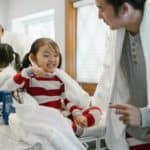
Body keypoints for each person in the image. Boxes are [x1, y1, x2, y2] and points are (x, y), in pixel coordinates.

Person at [1, 37, 102, 136]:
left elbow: (66, 101)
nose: (52, 59)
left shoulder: (58, 78)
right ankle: (80, 131)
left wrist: (77, 115)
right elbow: (8, 87)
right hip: (45, 118)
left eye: (55, 55)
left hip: (60, 115)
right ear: (33, 58)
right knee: (62, 125)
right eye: (46, 55)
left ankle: (79, 124)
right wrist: (28, 72)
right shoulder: (30, 78)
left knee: (96, 111)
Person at [94, 0, 150, 149]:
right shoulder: (116, 36)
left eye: (101, 9)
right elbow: (109, 80)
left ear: (124, 8)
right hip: (131, 132)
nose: (99, 16)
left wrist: (145, 116)